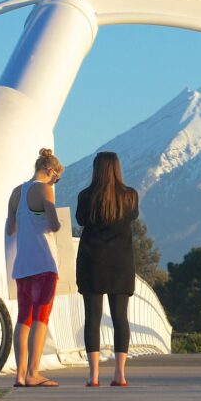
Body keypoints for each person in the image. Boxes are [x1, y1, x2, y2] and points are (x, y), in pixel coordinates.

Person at [76, 152, 139, 387]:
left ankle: (93, 376)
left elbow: (81, 220)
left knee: (92, 317)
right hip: (121, 263)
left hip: (92, 262)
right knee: (120, 318)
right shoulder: (130, 196)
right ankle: (119, 374)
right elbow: (132, 217)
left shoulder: (86, 196)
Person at [5, 148, 63, 388]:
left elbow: (10, 229)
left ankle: (19, 375)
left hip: (22, 265)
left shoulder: (16, 192)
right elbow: (54, 224)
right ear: (50, 170)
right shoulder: (45, 190)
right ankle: (33, 373)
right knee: (41, 317)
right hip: (44, 263)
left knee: (23, 319)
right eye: (56, 178)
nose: (54, 182)